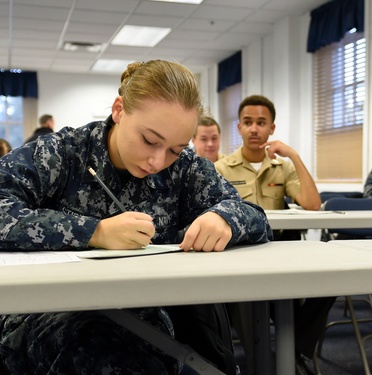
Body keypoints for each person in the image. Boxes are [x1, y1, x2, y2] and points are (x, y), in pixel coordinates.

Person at [0, 60, 272, 374]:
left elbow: (255, 217)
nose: (158, 160)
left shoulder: (185, 168)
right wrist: (93, 232)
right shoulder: (63, 153)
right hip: (50, 312)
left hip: (148, 317)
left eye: (174, 148)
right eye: (150, 141)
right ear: (119, 110)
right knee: (98, 349)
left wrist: (224, 218)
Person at [215, 95, 328, 375]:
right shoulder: (222, 168)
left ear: (272, 128)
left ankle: (294, 350)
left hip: (279, 252)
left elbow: (312, 204)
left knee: (329, 281)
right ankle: (264, 362)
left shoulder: (283, 167)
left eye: (261, 123)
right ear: (239, 127)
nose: (254, 129)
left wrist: (294, 156)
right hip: (238, 255)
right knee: (250, 295)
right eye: (248, 122)